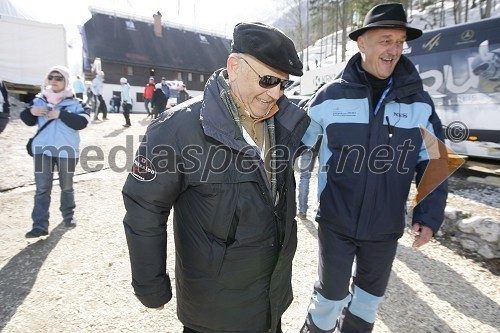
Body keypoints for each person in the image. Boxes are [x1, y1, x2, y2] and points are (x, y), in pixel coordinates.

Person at [122, 22, 308, 333]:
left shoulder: (284, 122)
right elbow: (145, 207)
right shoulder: (177, 128)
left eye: (283, 84)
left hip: (270, 303)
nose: (275, 93)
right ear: (234, 67)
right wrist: (150, 285)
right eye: (267, 79)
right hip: (214, 313)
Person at [300, 4, 449, 333]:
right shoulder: (329, 97)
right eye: (385, 40)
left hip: (384, 226)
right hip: (336, 221)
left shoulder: (419, 102)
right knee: (329, 299)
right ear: (362, 43)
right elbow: (297, 146)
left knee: (368, 301)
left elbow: (436, 161)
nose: (394, 50)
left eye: (399, 42)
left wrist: (428, 215)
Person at [20, 65, 90, 238]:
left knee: (66, 186)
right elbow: (27, 120)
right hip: (42, 149)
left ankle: (68, 215)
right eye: (51, 77)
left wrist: (61, 115)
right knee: (42, 188)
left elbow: (83, 122)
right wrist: (31, 111)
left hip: (67, 150)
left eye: (59, 78)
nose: (54, 81)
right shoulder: (38, 100)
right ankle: (39, 225)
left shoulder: (77, 102)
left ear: (66, 81)